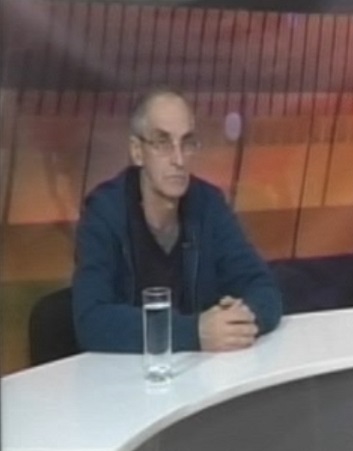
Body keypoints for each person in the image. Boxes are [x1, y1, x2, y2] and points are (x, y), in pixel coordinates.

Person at [72, 88, 282, 353]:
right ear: (137, 152)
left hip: (200, 371)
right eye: (163, 143)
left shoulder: (209, 204)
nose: (179, 159)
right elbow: (92, 321)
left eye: (187, 143)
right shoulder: (105, 213)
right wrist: (194, 332)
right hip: (127, 374)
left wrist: (239, 320)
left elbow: (263, 288)